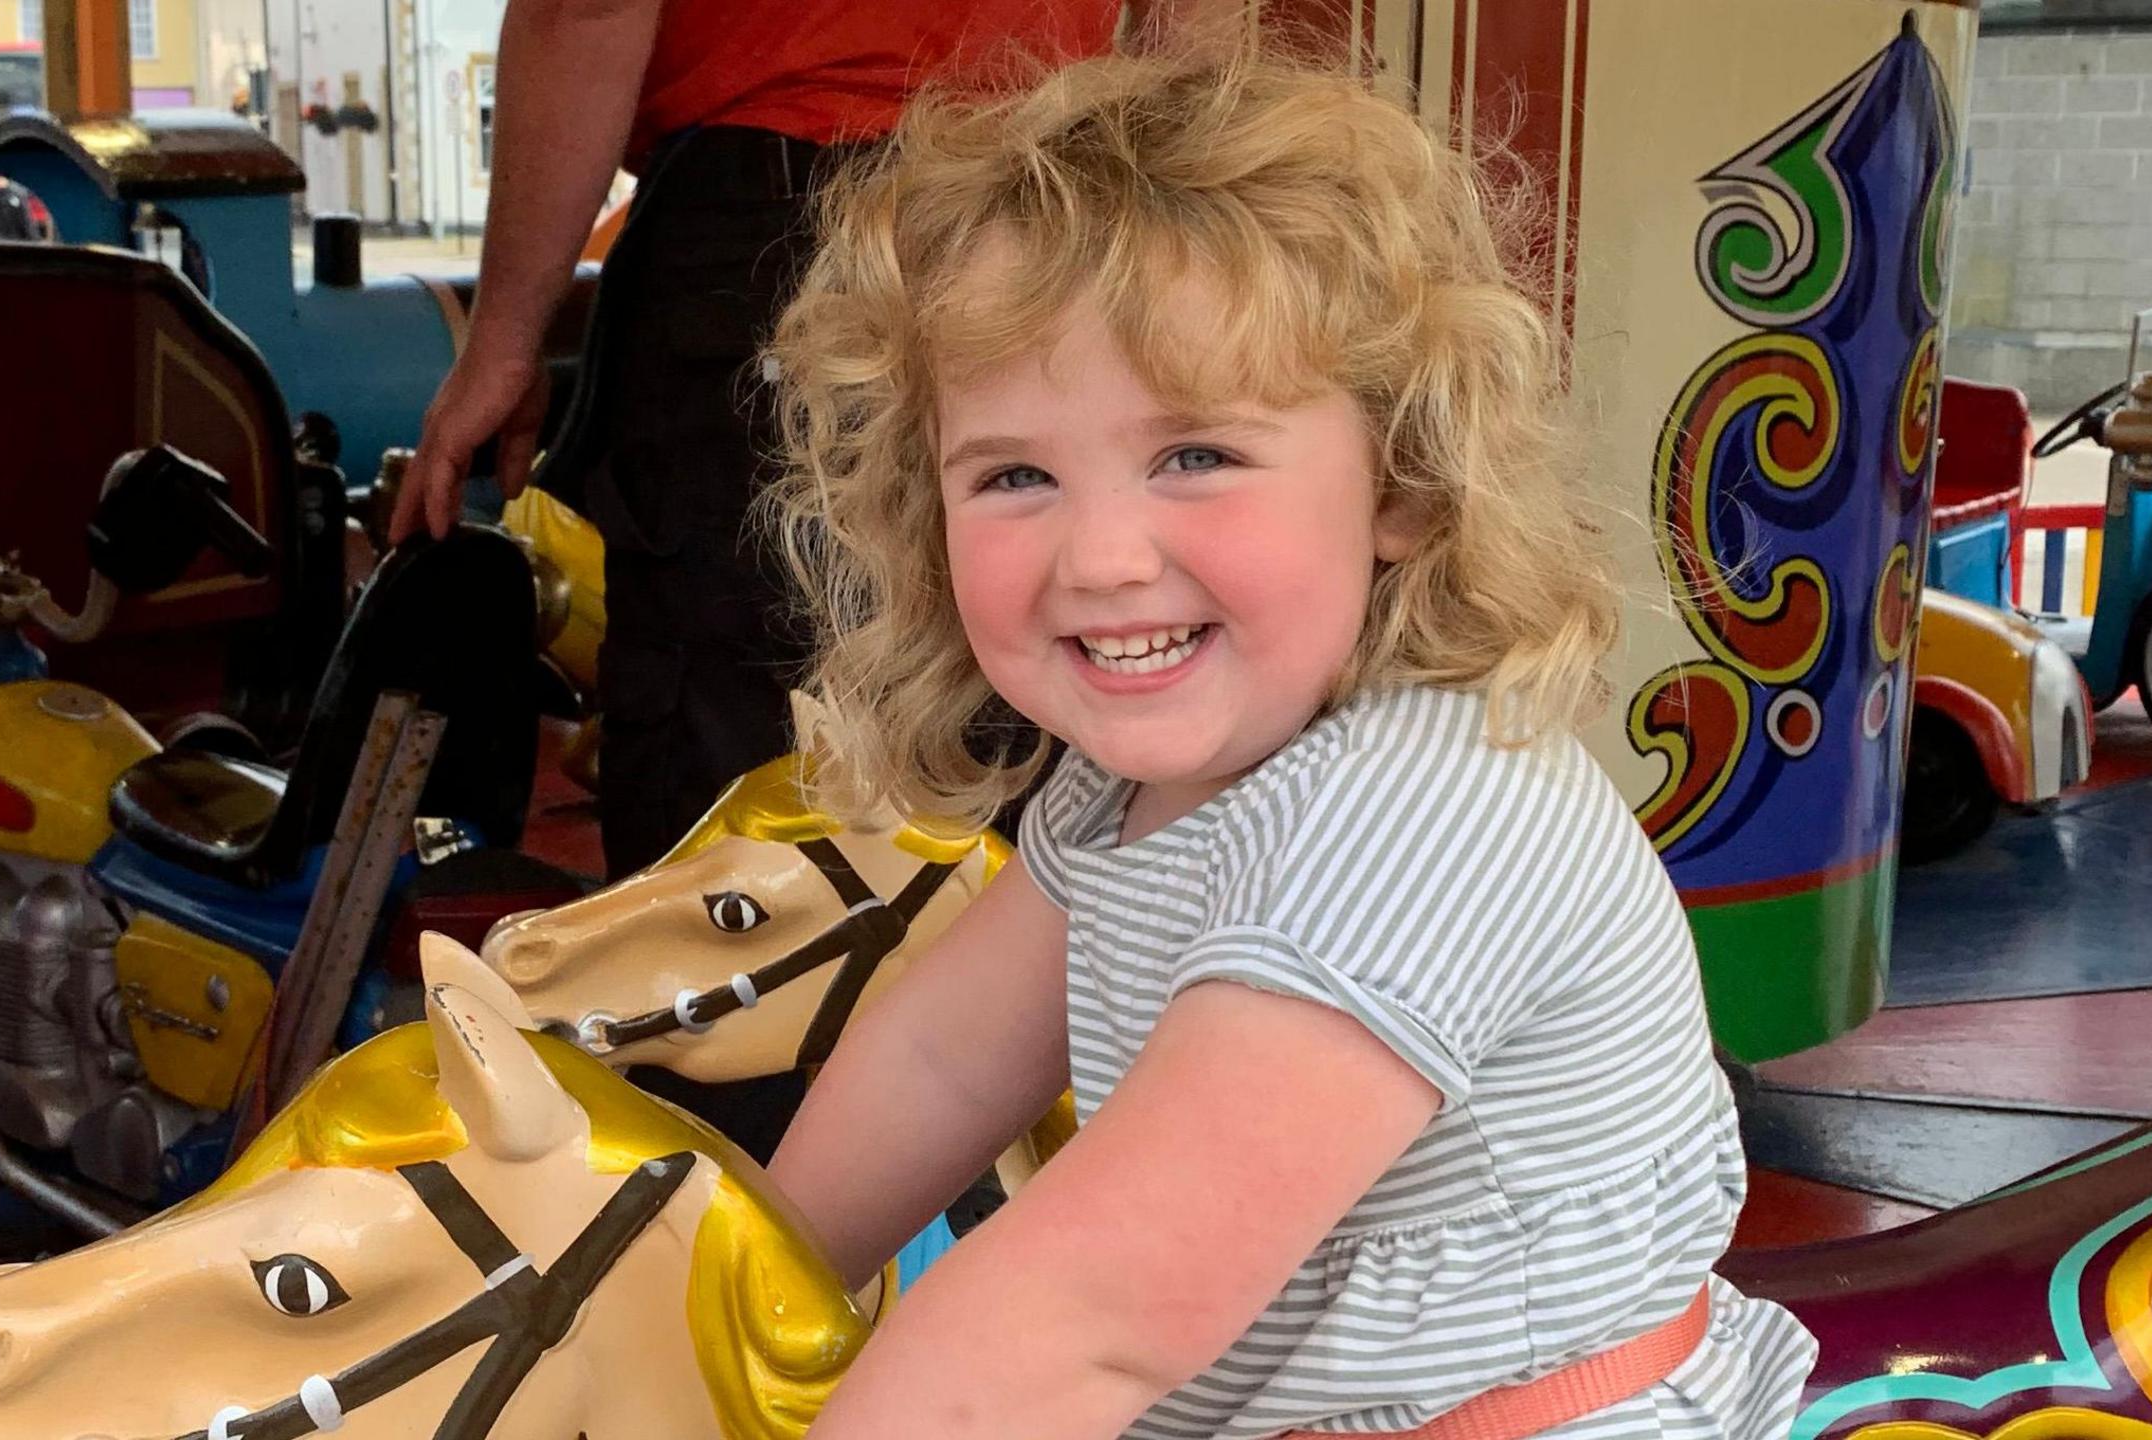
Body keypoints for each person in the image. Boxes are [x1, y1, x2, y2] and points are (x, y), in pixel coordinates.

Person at [757, 48, 1820, 1440]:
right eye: (1015, 474)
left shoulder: (1422, 821)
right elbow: (941, 1066)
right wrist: (725, 1295)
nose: (1103, 557)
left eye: (1194, 456)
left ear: (1403, 481)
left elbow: (1089, 1318)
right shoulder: (1122, 792)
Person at [390, 0, 1132, 887]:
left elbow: (586, 8)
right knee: (1039, 701)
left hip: (783, 214)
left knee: (734, 759)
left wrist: (504, 341)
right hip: (1059, 205)